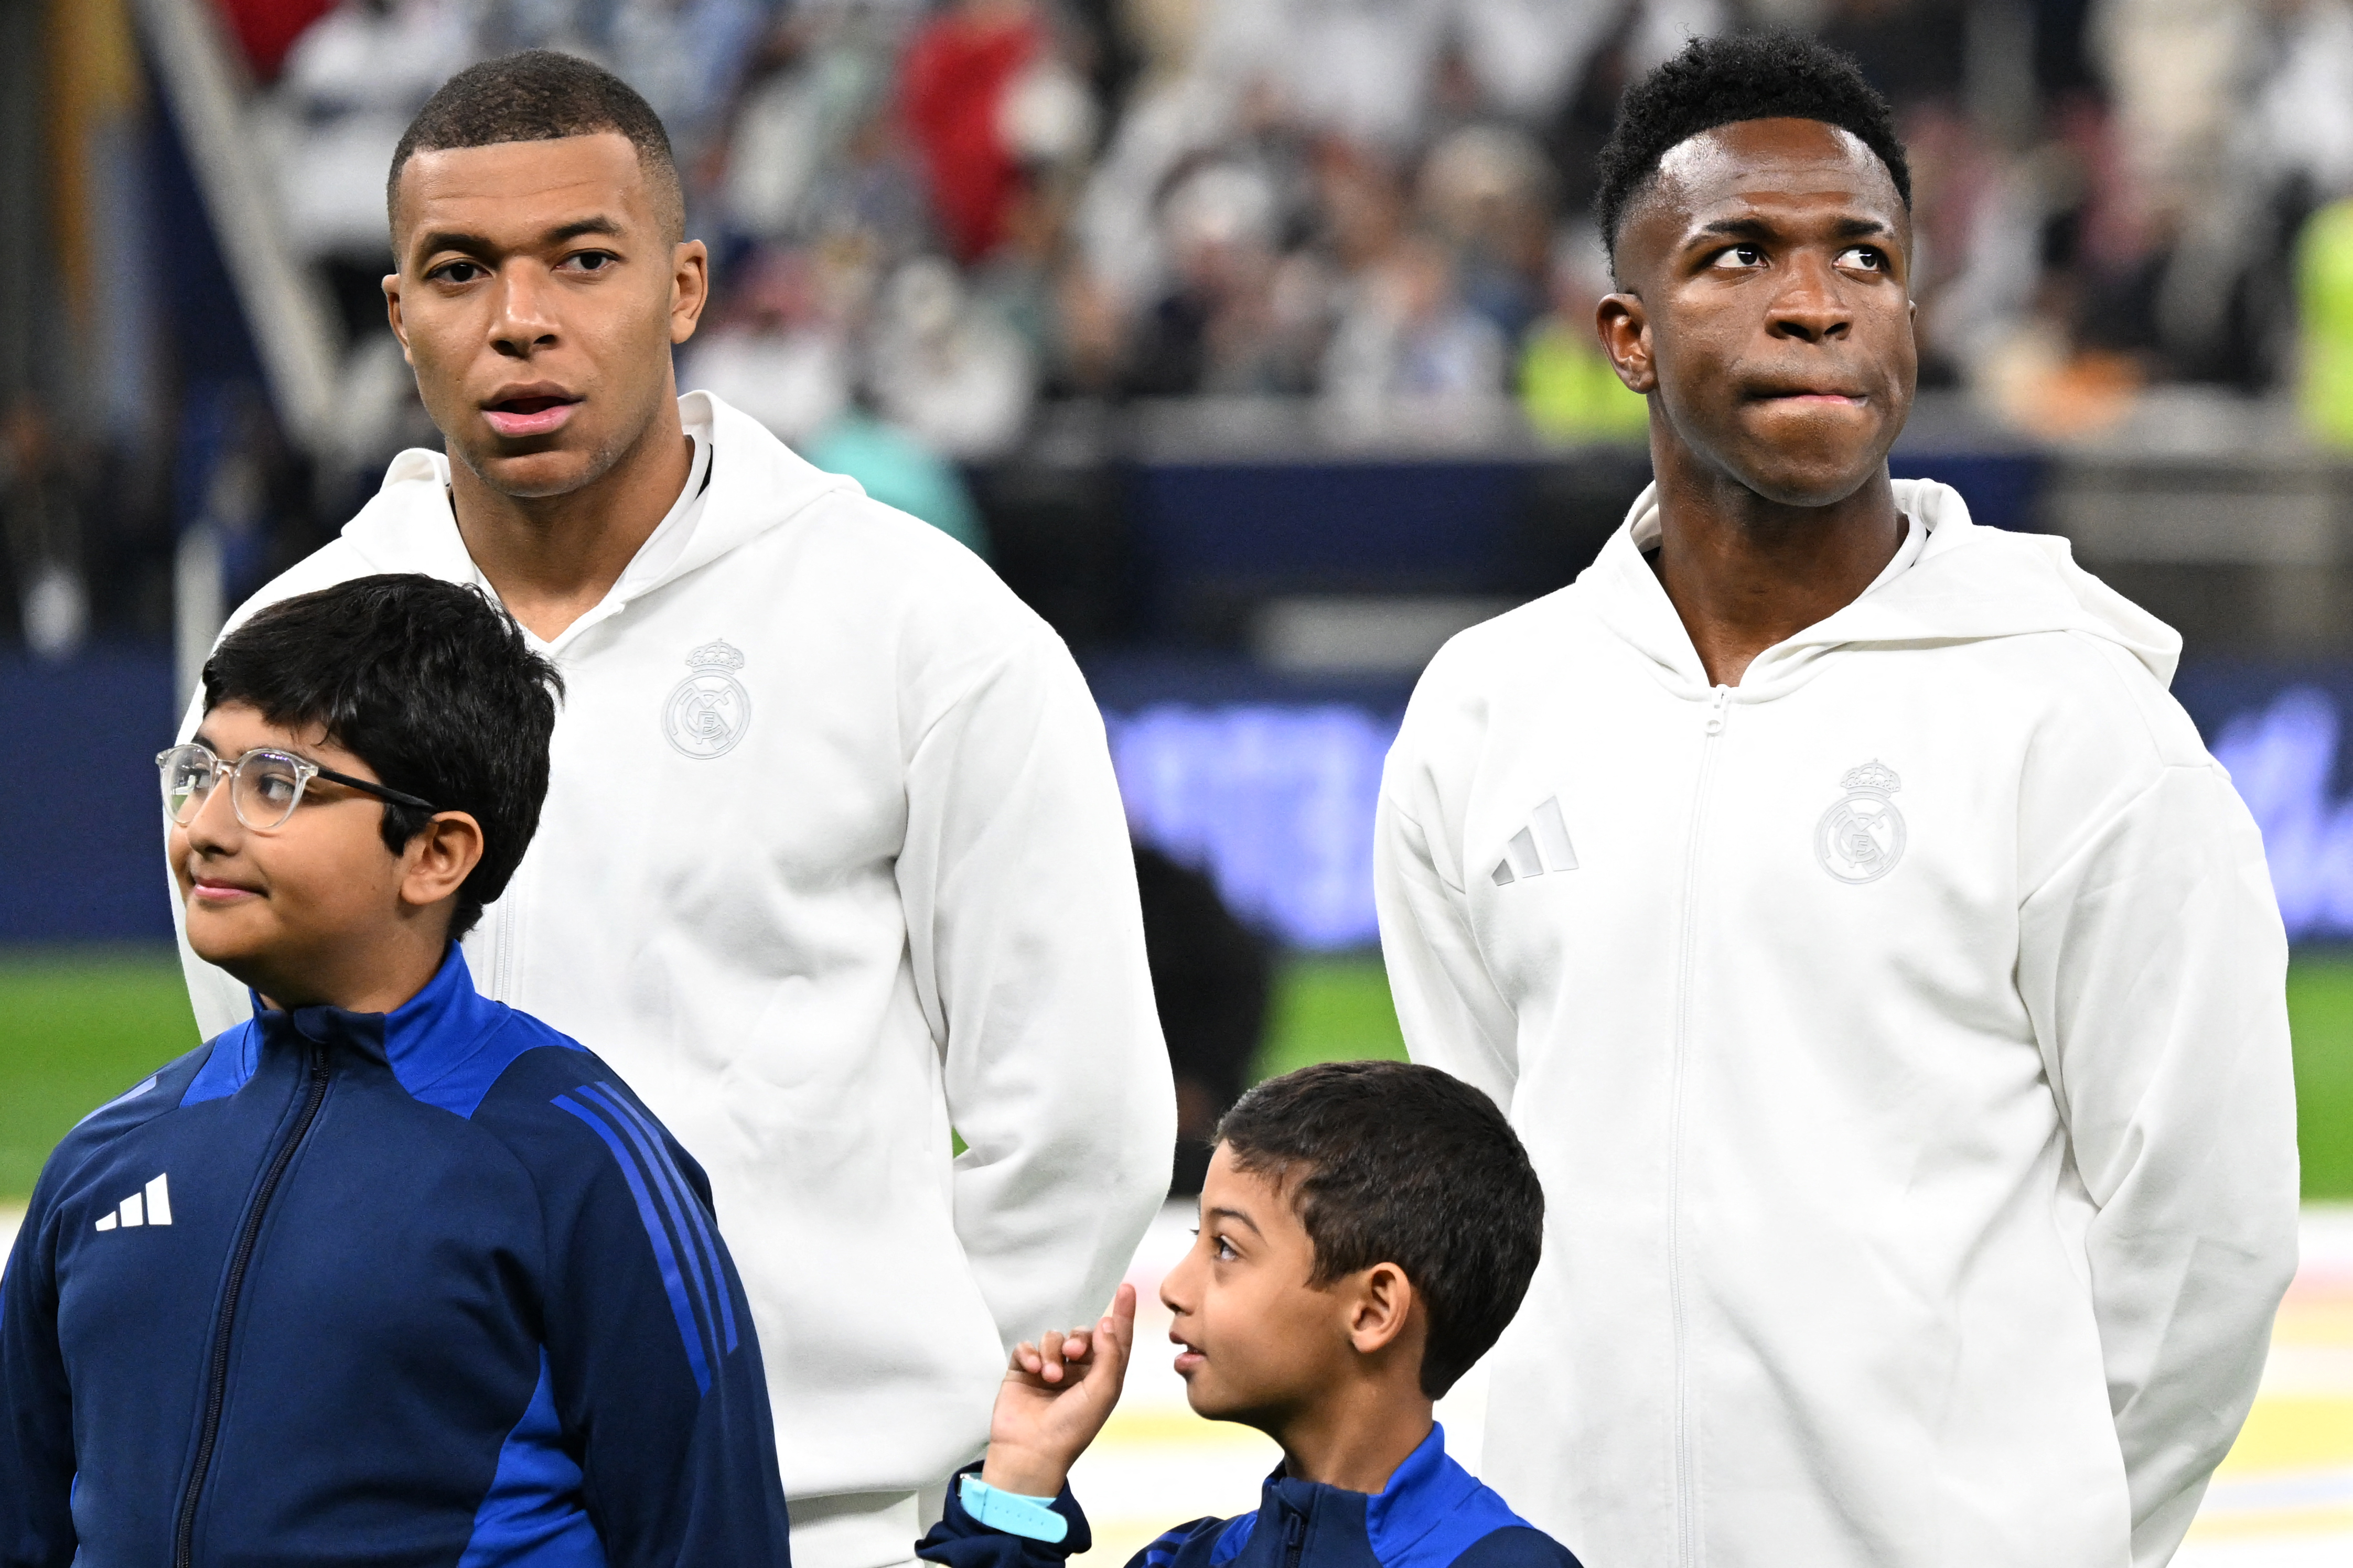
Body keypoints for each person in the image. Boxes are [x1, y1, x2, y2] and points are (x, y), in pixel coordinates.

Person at [169, 50, 1174, 1568]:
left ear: (685, 287)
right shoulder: (279, 665)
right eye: (460, 270)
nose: (521, 319)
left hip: (828, 1519)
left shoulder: (919, 624)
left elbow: (1080, 1110)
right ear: (398, 313)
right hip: (428, 1520)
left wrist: (927, 1435)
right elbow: (269, 1100)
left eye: (583, 259)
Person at [1374, 33, 2300, 1568]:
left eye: (1863, 256)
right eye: (1738, 254)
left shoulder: (2075, 718)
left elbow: (2204, 1233)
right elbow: (1479, 1201)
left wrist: (2044, 1540)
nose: (1816, 301)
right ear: (1626, 335)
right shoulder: (1486, 709)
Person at [3, 575, 793, 1563]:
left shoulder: (579, 1164)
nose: (203, 826)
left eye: (275, 784)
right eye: (199, 773)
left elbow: (712, 1538)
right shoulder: (108, 1157)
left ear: (435, 853)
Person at [915, 1060, 1583, 1568]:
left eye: (1226, 1248)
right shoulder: (1187, 1561)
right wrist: (1023, 1474)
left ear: (1373, 1309)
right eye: (1195, 1239)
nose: (1174, 1288)